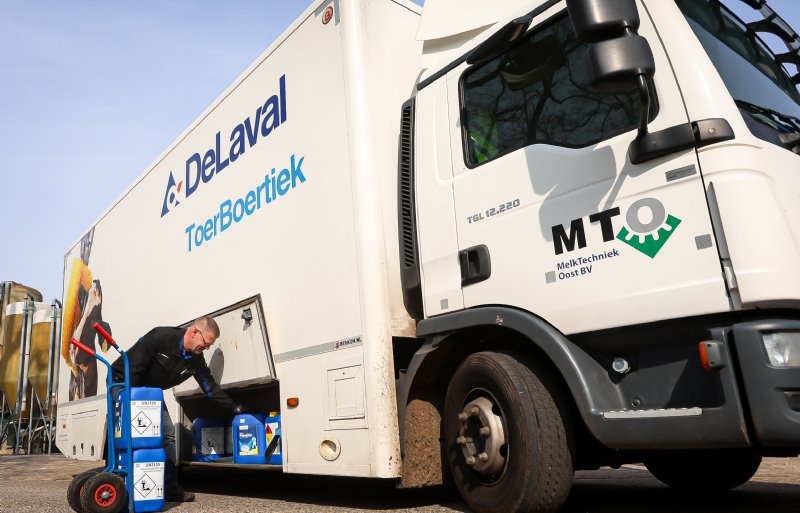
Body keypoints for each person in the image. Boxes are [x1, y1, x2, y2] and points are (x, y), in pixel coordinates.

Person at [111, 316, 243, 503]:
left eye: (209, 346)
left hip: (150, 391)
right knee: (128, 434)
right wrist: (134, 404)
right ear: (194, 332)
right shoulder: (160, 337)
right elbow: (133, 370)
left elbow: (210, 388)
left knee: (167, 435)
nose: (205, 348)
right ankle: (120, 482)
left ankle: (170, 488)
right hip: (123, 383)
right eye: (206, 343)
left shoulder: (195, 360)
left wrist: (236, 407)